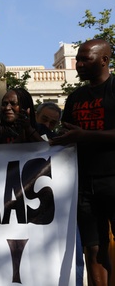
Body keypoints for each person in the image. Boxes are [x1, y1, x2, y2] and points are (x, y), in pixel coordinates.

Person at [50, 39, 115, 286]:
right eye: (77, 59)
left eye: (85, 59)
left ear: (104, 60)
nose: (78, 64)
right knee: (93, 248)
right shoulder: (76, 97)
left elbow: (81, 135)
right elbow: (66, 139)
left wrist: (85, 135)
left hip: (112, 178)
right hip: (84, 185)